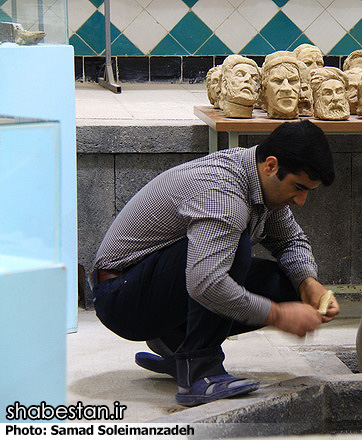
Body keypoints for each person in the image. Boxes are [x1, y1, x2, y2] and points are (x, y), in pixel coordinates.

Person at [91, 120, 340, 407]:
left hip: (151, 285)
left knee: (289, 284)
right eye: (298, 188)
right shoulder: (224, 195)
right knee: (235, 249)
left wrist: (309, 283)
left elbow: (290, 241)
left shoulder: (260, 185)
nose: (301, 200)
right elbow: (206, 284)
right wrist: (279, 315)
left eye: (308, 191)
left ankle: (176, 346)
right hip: (120, 298)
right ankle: (199, 371)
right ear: (271, 165)